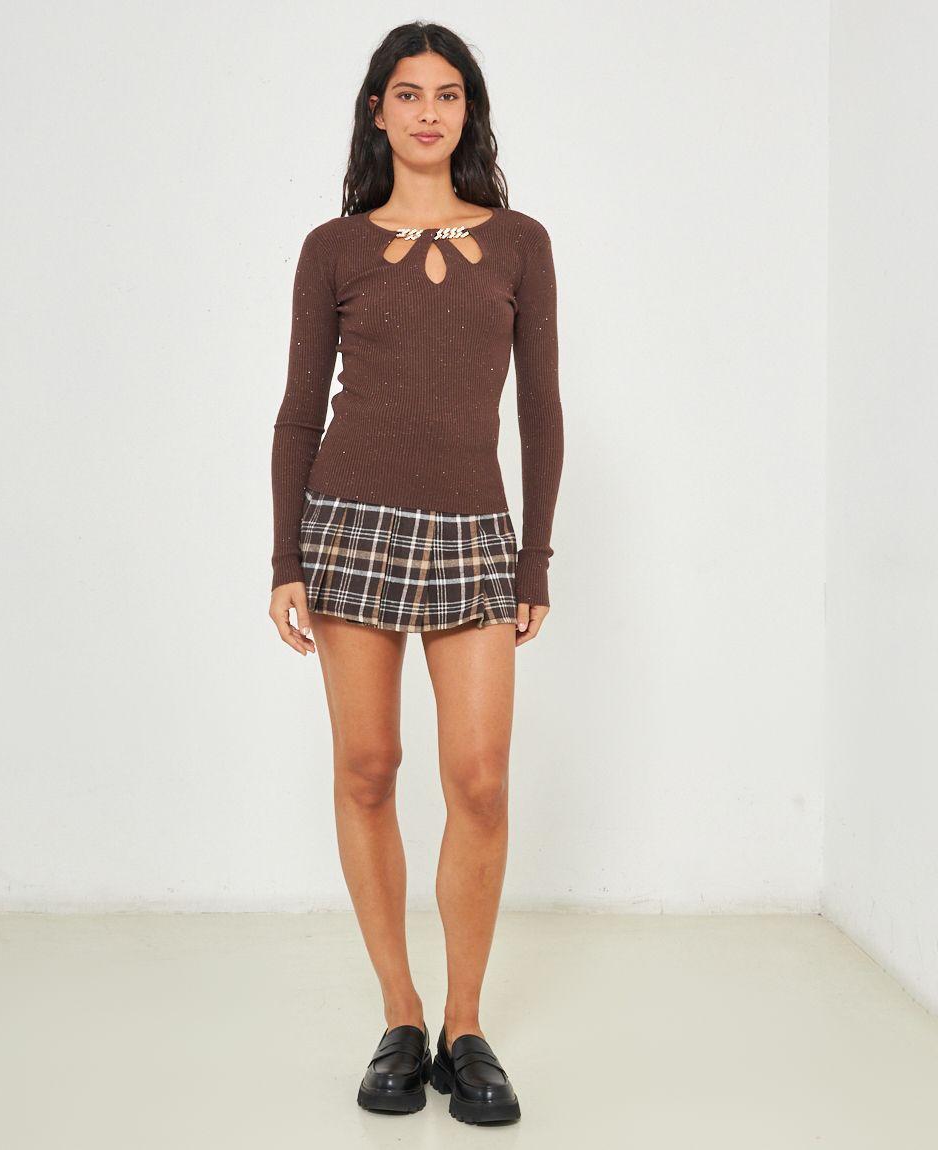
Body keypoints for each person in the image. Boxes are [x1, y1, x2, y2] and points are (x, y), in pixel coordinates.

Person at [268, 21, 563, 1125]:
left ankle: (465, 1025)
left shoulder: (521, 242)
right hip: (347, 526)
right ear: (377, 112)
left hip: (474, 533)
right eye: (408, 93)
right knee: (368, 767)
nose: (428, 111)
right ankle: (399, 1014)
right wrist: (284, 557)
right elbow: (299, 411)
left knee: (478, 778)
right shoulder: (332, 248)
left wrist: (533, 556)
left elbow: (540, 411)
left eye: (447, 94)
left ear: (467, 112)